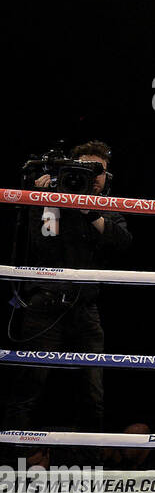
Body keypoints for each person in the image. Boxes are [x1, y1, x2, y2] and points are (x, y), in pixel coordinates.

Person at [5, 141, 129, 433]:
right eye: (86, 168)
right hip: (45, 305)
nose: (94, 175)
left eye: (99, 170)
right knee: (28, 386)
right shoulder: (50, 199)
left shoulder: (106, 206)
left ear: (107, 176)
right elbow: (45, 244)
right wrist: (49, 200)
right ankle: (10, 463)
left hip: (86, 309)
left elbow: (122, 242)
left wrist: (89, 211)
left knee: (93, 392)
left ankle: (90, 464)